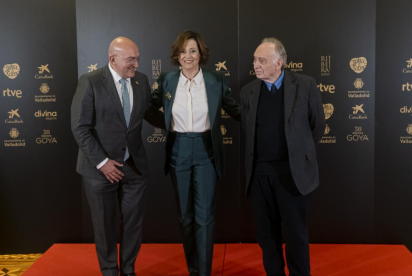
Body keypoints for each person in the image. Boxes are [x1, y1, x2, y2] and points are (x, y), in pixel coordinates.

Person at [71, 37, 164, 276]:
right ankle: (110, 271)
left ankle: (129, 269)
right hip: (99, 169)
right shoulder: (90, 82)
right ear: (113, 59)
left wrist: (182, 123)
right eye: (131, 59)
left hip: (134, 167)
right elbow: (80, 127)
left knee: (133, 223)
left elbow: (149, 114)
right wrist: (102, 163)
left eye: (138, 59)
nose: (136, 64)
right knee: (104, 226)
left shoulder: (141, 80)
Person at [151, 30, 240, 276]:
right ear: (176, 56)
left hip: (206, 152)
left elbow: (237, 111)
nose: (187, 56)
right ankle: (193, 270)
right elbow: (149, 109)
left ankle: (204, 272)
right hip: (177, 150)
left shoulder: (216, 81)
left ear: (201, 54)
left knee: (205, 217)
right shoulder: (167, 80)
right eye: (183, 51)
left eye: (192, 50)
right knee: (185, 217)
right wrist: (169, 123)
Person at [240, 38, 325, 276]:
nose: (256, 65)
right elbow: (249, 130)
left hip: (293, 173)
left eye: (262, 60)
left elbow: (317, 125)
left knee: (296, 234)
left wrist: (298, 153)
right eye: (255, 60)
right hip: (260, 175)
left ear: (279, 63)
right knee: (267, 236)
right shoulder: (247, 92)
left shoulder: (305, 85)